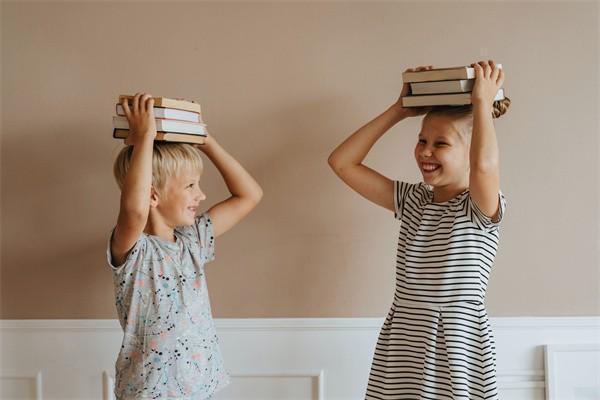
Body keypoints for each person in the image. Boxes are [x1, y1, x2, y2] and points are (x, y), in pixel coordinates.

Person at [328, 61, 510, 399]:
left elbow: (485, 165)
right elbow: (342, 162)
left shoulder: (479, 209)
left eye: (441, 144)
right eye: (422, 140)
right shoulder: (413, 200)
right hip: (404, 343)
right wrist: (401, 109)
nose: (425, 151)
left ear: (471, 152)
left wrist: (482, 103)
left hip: (457, 347)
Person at [108, 92, 263, 399]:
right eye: (191, 185)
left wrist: (205, 141)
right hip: (149, 391)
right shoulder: (135, 250)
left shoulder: (193, 240)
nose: (201, 195)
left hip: (200, 386)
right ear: (152, 195)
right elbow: (136, 210)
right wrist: (144, 139)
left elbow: (250, 195)